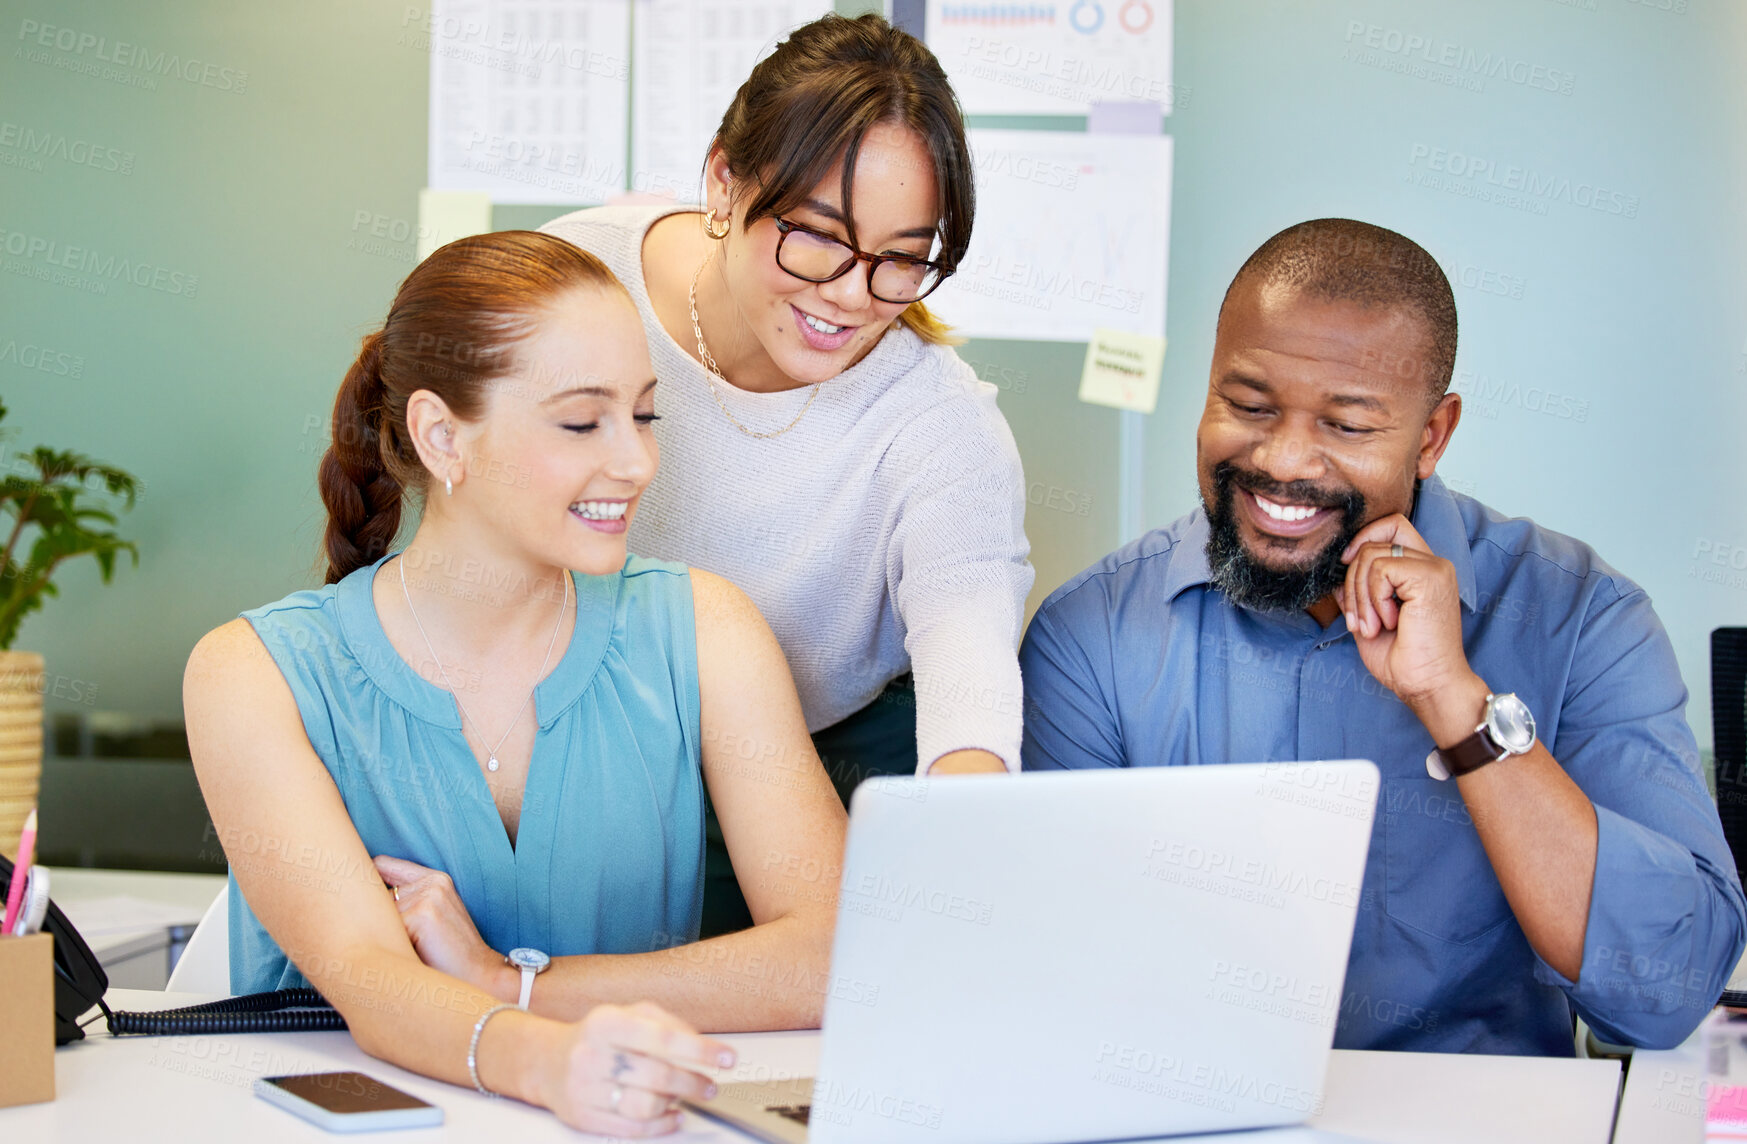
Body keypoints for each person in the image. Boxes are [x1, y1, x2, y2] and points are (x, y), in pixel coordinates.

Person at [1019, 218, 1747, 1054]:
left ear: (1430, 437)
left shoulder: (1580, 617)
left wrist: (1454, 700)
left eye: (1347, 426)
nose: (1285, 460)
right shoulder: (1090, 637)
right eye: (1246, 404)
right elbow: (1052, 979)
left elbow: (1667, 990)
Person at [183, 231, 846, 1135]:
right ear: (441, 435)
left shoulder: (705, 630)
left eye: (644, 416)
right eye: (582, 421)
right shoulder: (251, 674)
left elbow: (835, 952)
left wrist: (514, 983)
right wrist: (553, 1062)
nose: (636, 461)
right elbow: (374, 982)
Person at [539, 12, 1033, 937]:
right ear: (726, 178)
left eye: (900, 260)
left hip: (831, 754)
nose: (850, 295)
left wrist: (965, 827)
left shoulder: (936, 421)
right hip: (590, 748)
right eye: (816, 236)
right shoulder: (578, 283)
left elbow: (969, 665)